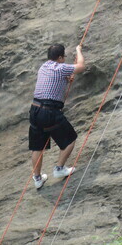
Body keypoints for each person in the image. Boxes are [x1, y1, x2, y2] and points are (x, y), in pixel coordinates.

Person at [28, 43, 85, 189]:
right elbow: (81, 66)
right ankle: (59, 169)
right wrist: (78, 50)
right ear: (60, 57)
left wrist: (66, 79)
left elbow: (53, 80)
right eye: (63, 57)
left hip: (35, 110)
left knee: (37, 148)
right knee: (70, 139)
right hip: (49, 111)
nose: (64, 59)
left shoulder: (44, 67)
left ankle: (37, 179)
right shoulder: (61, 68)